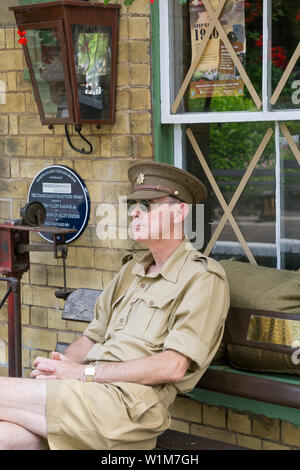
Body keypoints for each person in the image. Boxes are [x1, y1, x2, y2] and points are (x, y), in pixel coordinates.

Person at [0, 160, 229, 450]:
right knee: (6, 438)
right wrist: (61, 366)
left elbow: (173, 366)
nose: (134, 211)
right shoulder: (131, 271)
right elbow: (91, 337)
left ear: (179, 211)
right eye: (133, 203)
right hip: (87, 395)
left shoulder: (203, 278)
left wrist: (83, 373)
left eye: (147, 204)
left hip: (128, 409)